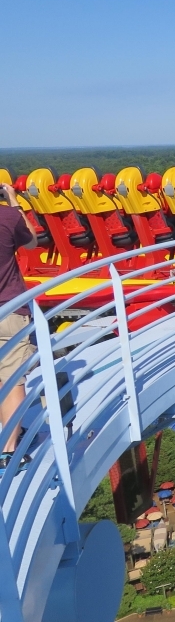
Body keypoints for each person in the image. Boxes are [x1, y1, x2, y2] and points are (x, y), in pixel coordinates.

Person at [0, 183, 38, 457]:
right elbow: (32, 241)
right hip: (9, 308)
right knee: (12, 379)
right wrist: (13, 199)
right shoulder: (8, 217)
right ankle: (9, 449)